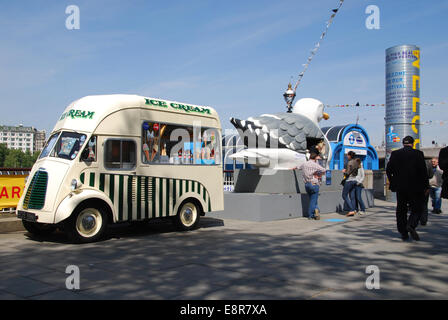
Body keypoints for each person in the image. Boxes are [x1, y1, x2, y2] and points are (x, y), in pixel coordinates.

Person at [386, 136, 429, 241]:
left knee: (401, 210)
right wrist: (426, 186)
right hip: (415, 187)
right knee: (417, 208)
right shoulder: (418, 154)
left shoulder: (395, 154)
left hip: (401, 187)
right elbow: (423, 172)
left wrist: (393, 181)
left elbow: (388, 170)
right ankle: (411, 224)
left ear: (402, 144)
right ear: (413, 144)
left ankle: (403, 232)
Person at [299, 152, 326, 220]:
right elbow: (324, 170)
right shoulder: (315, 165)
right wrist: (318, 174)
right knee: (313, 200)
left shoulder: (304, 164)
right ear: (315, 158)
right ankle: (311, 215)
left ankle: (316, 211)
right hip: (314, 183)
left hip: (307, 184)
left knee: (312, 199)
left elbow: (298, 167)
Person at [342, 151, 358, 217]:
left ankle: (351, 210)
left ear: (349, 156)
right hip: (354, 180)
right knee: (352, 196)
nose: (347, 156)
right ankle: (354, 209)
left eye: (347, 155)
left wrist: (344, 171)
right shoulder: (356, 162)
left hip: (349, 180)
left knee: (344, 195)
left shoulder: (350, 163)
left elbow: (348, 173)